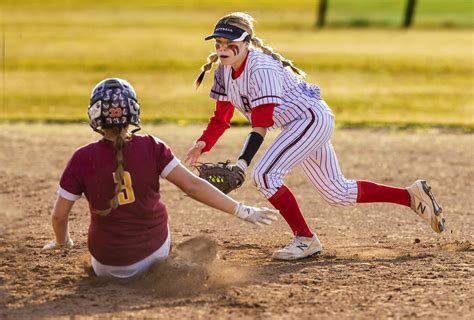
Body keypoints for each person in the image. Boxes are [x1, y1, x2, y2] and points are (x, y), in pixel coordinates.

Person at [184, 12, 445, 261]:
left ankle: (305, 239)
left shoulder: (260, 69)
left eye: (230, 43)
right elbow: (221, 118)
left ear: (247, 43)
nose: (222, 48)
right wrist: (202, 144)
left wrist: (242, 163)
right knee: (337, 193)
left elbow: (261, 125)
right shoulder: (223, 71)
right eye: (219, 43)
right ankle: (411, 196)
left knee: (264, 175)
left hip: (309, 119)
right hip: (299, 124)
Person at [42, 78, 278, 280]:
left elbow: (59, 216)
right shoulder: (151, 146)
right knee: (159, 215)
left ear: (95, 114)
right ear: (133, 112)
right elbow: (193, 186)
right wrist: (242, 210)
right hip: (151, 255)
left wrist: (63, 243)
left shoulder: (81, 158)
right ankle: (164, 267)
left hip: (103, 265)